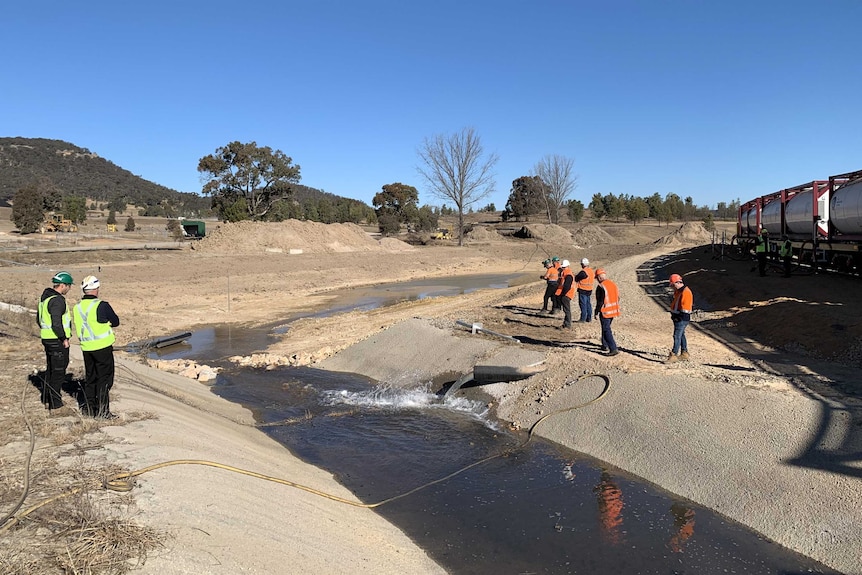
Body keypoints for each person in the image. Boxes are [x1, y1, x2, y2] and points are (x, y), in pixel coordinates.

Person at [73, 275, 120, 418]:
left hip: (87, 348)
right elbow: (115, 321)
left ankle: (89, 409)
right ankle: (103, 412)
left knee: (91, 378)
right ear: (96, 289)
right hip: (102, 347)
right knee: (104, 380)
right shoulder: (101, 305)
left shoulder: (77, 307)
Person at [38, 271, 75, 415]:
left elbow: (39, 320)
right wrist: (64, 338)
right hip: (56, 340)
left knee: (51, 369)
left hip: (47, 339)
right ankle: (56, 404)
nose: (69, 289)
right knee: (58, 372)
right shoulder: (57, 300)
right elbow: (56, 323)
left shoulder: (44, 299)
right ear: (63, 285)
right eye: (69, 286)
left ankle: (47, 398)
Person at [666, 273, 693, 363]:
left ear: (678, 283)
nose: (672, 287)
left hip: (681, 319)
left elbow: (685, 309)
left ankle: (674, 355)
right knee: (681, 335)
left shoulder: (685, 292)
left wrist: (678, 318)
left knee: (676, 336)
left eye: (673, 285)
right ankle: (684, 353)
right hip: (679, 318)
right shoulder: (679, 291)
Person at [593, 268, 620, 356]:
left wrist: (596, 312)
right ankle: (605, 345)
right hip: (613, 310)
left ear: (599, 277)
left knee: (606, 329)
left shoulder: (601, 286)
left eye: (597, 278)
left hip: (605, 311)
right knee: (605, 327)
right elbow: (618, 297)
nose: (597, 280)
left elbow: (600, 301)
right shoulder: (612, 284)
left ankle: (613, 348)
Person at [555, 259, 575, 329]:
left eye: (563, 267)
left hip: (566, 294)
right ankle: (566, 323)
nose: (562, 268)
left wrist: (562, 294)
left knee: (567, 310)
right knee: (566, 310)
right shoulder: (566, 273)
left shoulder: (568, 275)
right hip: (565, 294)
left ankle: (568, 324)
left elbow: (567, 286)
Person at [574, 258, 595, 322]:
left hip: (583, 289)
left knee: (583, 304)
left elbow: (576, 278)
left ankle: (583, 318)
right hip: (589, 289)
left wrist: (575, 276)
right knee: (588, 304)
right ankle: (589, 318)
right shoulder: (591, 271)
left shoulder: (583, 272)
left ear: (582, 264)